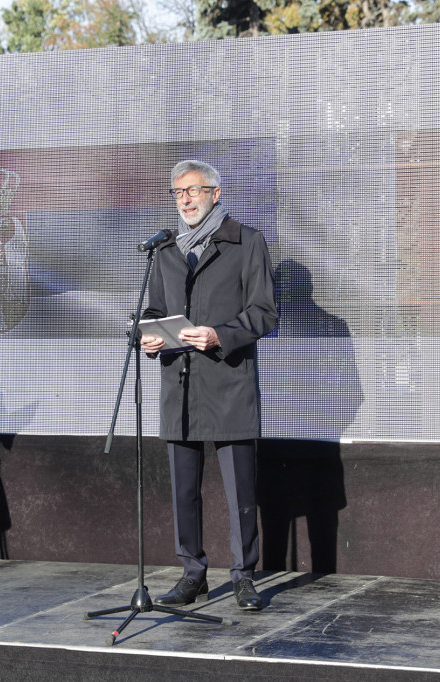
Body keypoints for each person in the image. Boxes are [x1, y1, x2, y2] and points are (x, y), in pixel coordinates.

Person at [141, 160, 278, 611]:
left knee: (240, 492)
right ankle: (192, 575)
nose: (185, 199)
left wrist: (220, 335)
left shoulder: (246, 242)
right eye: (178, 192)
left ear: (215, 194)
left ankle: (244, 576)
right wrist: (147, 336)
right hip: (179, 386)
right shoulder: (164, 250)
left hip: (228, 383)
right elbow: (153, 311)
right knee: (184, 491)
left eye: (194, 190)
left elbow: (264, 313)